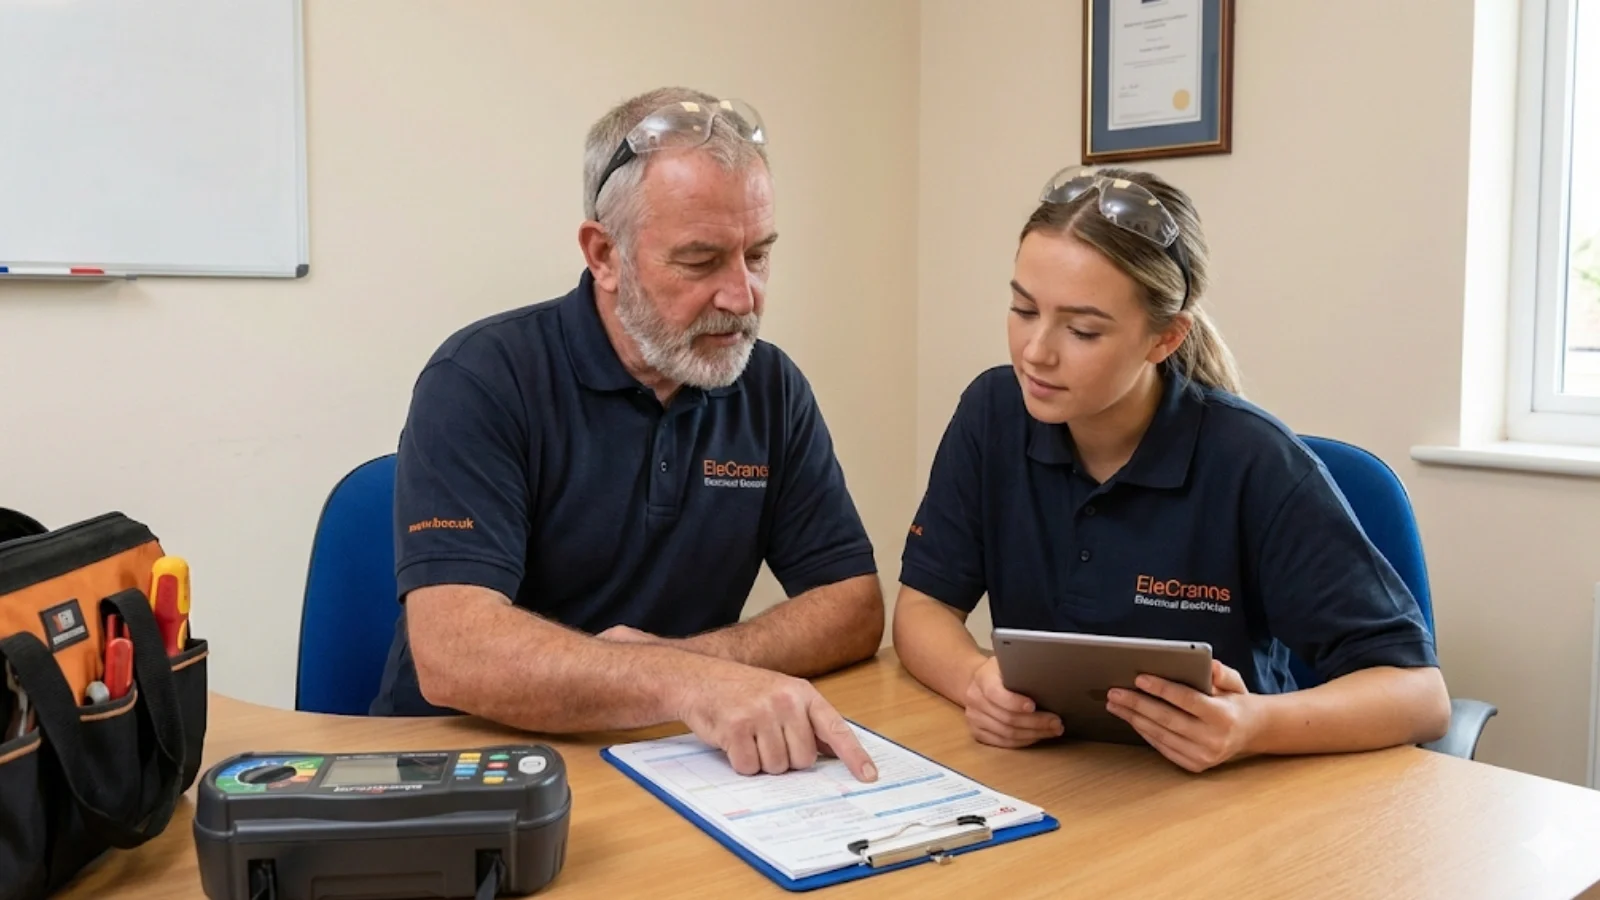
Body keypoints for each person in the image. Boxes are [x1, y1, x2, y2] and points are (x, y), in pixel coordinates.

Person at [370, 87, 884, 783]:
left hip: (670, 758)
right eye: (700, 261)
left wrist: (701, 666)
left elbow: (852, 605)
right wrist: (682, 682)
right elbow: (453, 651)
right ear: (604, 254)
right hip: (468, 768)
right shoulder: (481, 378)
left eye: (758, 255)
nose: (743, 297)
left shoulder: (770, 386)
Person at [893, 165, 1451, 772]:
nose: (1036, 352)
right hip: (1055, 779)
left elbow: (1420, 697)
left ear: (1165, 338)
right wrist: (976, 680)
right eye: (1024, 309)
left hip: (1224, 795)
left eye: (1082, 330)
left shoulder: (1253, 461)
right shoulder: (993, 414)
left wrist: (1252, 725)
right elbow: (923, 610)